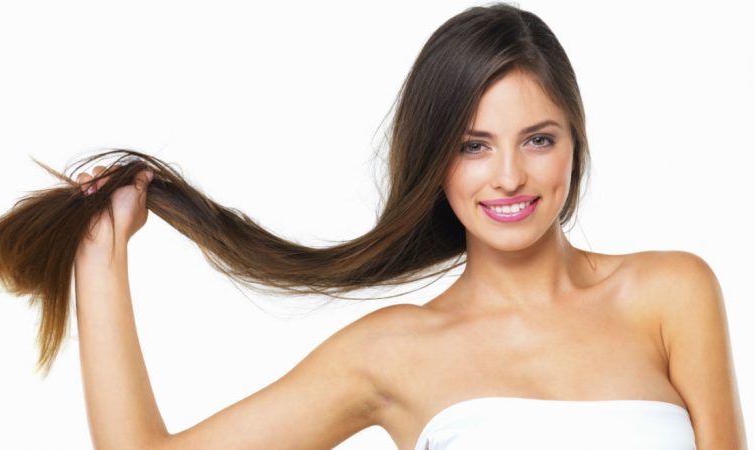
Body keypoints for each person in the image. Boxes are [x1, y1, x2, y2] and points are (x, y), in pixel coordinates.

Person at [59, 3, 747, 450]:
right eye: (473, 146)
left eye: (538, 139)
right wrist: (98, 257)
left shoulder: (671, 293)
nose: (509, 176)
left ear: (575, 143)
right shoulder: (391, 351)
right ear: (434, 159)